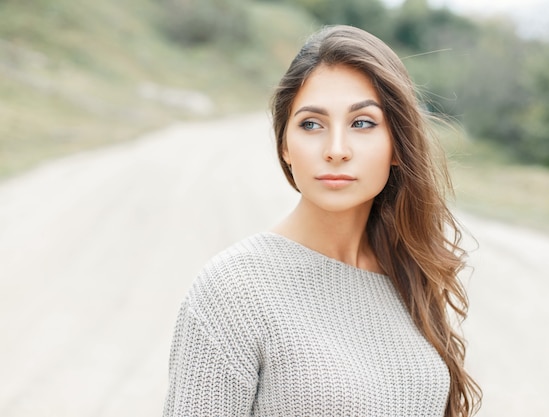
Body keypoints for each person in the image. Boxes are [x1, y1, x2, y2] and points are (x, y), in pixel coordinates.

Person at [163, 25, 481, 417]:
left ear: (398, 145)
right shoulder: (232, 291)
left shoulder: (407, 272)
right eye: (311, 124)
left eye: (362, 123)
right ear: (285, 145)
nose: (335, 150)